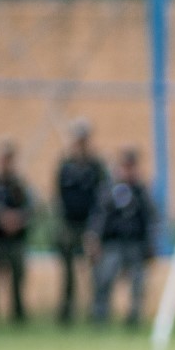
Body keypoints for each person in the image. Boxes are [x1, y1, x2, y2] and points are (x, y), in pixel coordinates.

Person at [85, 147, 157, 327]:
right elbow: (99, 217)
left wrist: (150, 244)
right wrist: (94, 239)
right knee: (104, 279)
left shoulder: (141, 192)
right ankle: (100, 318)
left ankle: (134, 318)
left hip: (135, 245)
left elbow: (150, 219)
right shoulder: (109, 190)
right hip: (113, 244)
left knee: (138, 284)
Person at [54, 118, 109, 324]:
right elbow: (59, 197)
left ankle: (96, 313)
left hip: (90, 226)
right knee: (68, 274)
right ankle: (66, 314)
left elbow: (102, 200)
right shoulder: (65, 166)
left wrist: (95, 231)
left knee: (95, 272)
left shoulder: (97, 167)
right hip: (69, 225)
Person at [0, 141, 33, 324]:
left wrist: (17, 219)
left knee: (17, 279)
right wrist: (1, 218)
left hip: (15, 240)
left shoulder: (19, 185)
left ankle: (18, 316)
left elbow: (31, 209)